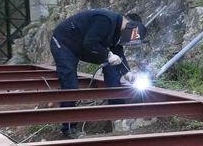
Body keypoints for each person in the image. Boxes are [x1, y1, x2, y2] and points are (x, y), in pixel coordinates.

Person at [50, 8, 147, 137]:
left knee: (112, 65)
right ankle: (68, 128)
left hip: (81, 45)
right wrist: (108, 54)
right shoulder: (105, 20)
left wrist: (127, 73)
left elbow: (118, 54)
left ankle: (117, 110)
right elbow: (90, 43)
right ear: (130, 26)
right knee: (70, 84)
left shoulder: (117, 32)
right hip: (63, 43)